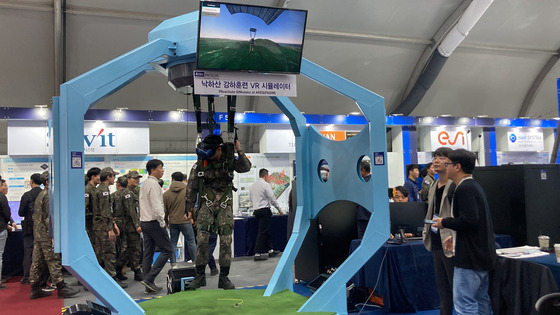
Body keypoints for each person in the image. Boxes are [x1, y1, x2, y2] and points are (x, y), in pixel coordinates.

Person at [432, 149, 496, 315]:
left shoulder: (464, 188)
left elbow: (468, 220)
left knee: (464, 304)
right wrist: (455, 237)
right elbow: (473, 222)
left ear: (457, 167)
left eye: (448, 164)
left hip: (469, 258)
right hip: (479, 254)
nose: (446, 167)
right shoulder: (473, 186)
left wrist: (444, 222)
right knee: (481, 301)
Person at [186, 134, 251, 290]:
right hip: (205, 203)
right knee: (201, 239)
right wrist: (188, 208)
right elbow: (191, 187)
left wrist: (239, 151)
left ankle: (224, 277)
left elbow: (246, 167)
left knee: (226, 240)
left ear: (219, 149)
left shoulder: (229, 161)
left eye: (212, 151)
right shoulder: (200, 164)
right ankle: (200, 275)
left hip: (224, 203)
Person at [29, 171, 79, 299]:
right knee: (53, 260)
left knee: (37, 261)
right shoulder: (50, 195)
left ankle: (35, 288)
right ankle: (61, 287)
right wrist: (53, 235)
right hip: (46, 234)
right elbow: (49, 218)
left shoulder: (41, 195)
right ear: (47, 182)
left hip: (38, 233)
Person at [422, 147, 455, 315]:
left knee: (456, 287)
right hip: (435, 240)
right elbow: (431, 210)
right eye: (435, 157)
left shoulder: (454, 185)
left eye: (441, 157)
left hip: (451, 241)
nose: (436, 160)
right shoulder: (434, 184)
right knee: (442, 289)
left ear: (451, 162)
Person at [139, 159, 172, 294]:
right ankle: (149, 278)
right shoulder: (154, 185)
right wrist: (162, 222)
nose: (163, 170)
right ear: (153, 170)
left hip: (145, 222)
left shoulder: (145, 184)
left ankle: (149, 284)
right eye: (161, 168)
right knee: (168, 250)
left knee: (148, 252)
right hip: (154, 222)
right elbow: (157, 206)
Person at [93, 167, 126, 288]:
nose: (114, 179)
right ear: (108, 177)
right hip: (103, 227)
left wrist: (113, 224)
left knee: (102, 253)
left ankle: (105, 279)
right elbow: (105, 212)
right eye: (113, 176)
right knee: (109, 252)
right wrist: (110, 229)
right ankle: (112, 279)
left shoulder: (102, 189)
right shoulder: (103, 191)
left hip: (101, 226)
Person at [115, 171, 143, 282]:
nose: (137, 180)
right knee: (135, 248)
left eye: (138, 178)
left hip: (129, 225)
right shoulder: (128, 194)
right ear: (128, 179)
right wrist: (137, 225)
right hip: (129, 226)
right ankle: (137, 271)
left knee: (128, 250)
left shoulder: (132, 192)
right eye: (134, 178)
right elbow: (131, 211)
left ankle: (118, 269)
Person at [164, 171, 196, 268]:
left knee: (173, 242)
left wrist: (166, 221)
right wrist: (193, 218)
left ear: (172, 179)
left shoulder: (166, 194)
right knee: (191, 241)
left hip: (173, 221)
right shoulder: (187, 191)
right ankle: (195, 262)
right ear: (182, 179)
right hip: (185, 220)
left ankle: (173, 264)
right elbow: (192, 206)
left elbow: (164, 210)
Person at [249, 168, 283, 261]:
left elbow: (250, 199)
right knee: (262, 232)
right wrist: (279, 209)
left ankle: (270, 250)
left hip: (257, 211)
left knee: (264, 230)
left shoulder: (252, 186)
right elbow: (272, 198)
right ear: (265, 176)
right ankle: (257, 253)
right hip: (265, 211)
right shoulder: (266, 185)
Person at [18, 173, 43, 285]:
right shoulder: (45, 194)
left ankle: (27, 276)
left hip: (29, 227)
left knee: (29, 251)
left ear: (31, 181)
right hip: (43, 228)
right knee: (43, 253)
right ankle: (42, 276)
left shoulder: (26, 195)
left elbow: (21, 212)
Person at [0, 178, 17, 289]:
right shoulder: (2, 197)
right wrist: (7, 224)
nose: (6, 188)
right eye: (4, 186)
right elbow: (6, 213)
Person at [85, 167, 101, 246]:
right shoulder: (87, 189)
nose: (100, 178)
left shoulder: (95, 189)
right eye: (98, 175)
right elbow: (85, 206)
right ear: (93, 177)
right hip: (89, 223)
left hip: (95, 223)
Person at [356, 161, 371, 239]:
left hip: (363, 215)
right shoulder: (374, 181)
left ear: (363, 170)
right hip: (371, 215)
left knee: (362, 240)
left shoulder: (363, 183)